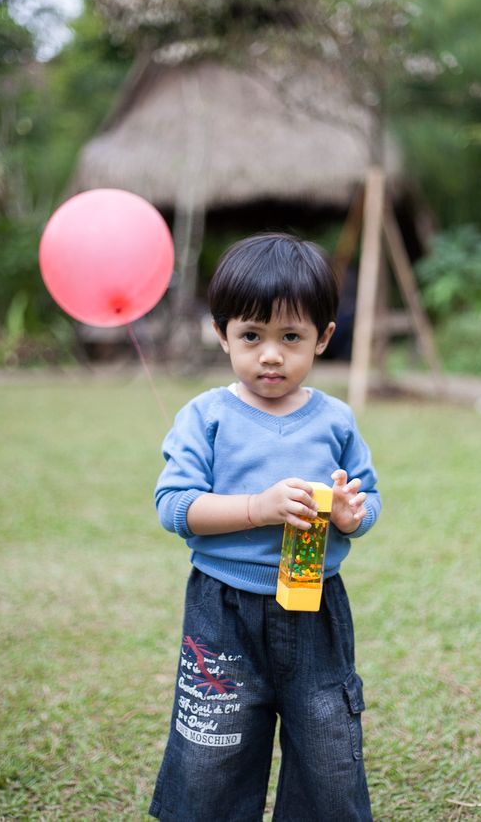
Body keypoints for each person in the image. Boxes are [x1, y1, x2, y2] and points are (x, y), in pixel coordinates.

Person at [149, 233, 382, 822]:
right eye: (252, 336)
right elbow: (176, 507)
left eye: (291, 337)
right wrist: (259, 507)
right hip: (222, 610)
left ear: (324, 338)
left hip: (315, 608)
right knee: (213, 748)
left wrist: (353, 516)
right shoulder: (205, 416)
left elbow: (366, 497)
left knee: (327, 745)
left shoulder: (335, 419)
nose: (270, 355)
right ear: (222, 332)